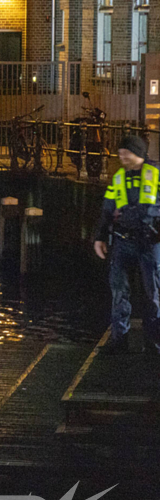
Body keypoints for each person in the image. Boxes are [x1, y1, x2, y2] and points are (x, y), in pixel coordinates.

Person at [93, 134, 160, 356]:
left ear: (138, 153)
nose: (121, 157)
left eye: (125, 153)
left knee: (153, 294)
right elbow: (107, 208)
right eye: (119, 153)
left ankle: (154, 343)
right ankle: (119, 341)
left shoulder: (156, 175)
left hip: (150, 243)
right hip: (122, 241)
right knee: (119, 292)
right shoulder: (119, 177)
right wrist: (99, 237)